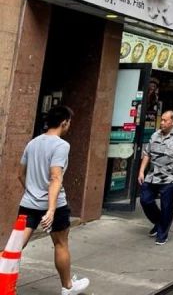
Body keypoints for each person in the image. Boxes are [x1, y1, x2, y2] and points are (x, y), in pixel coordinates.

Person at [17, 105, 89, 295]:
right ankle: (67, 287)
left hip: (28, 203)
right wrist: (50, 209)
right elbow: (55, 177)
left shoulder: (32, 143)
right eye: (69, 122)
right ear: (64, 122)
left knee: (15, 246)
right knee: (60, 243)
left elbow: (20, 174)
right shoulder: (61, 145)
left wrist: (32, 192)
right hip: (55, 205)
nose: (69, 126)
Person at [138, 110, 173, 244]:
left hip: (170, 177)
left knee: (167, 206)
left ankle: (162, 233)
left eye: (165, 120)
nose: (162, 122)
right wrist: (141, 171)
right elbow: (147, 153)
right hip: (153, 176)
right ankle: (158, 221)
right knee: (145, 200)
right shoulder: (155, 134)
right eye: (161, 120)